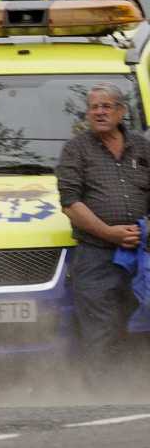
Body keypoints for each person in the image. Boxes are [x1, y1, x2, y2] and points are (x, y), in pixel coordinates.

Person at [57, 84, 150, 366]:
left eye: (106, 106)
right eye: (93, 107)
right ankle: (99, 398)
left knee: (142, 327)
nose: (99, 112)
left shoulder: (143, 147)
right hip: (96, 256)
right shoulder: (76, 150)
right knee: (100, 329)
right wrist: (110, 233)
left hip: (143, 253)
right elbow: (70, 202)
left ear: (121, 111)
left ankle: (137, 393)